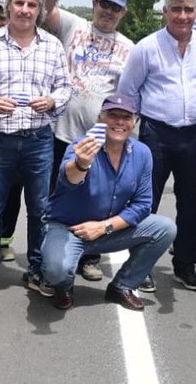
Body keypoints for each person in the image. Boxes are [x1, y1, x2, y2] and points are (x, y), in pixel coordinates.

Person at [117, 0, 196, 292]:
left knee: (190, 203)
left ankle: (185, 265)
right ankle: (141, 265)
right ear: (165, 12)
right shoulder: (146, 47)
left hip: (193, 134)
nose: (182, 16)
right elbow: (127, 93)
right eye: (176, 9)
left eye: (188, 10)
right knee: (145, 202)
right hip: (155, 133)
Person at [0, 0, 71, 300]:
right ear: (9, 6)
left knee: (40, 209)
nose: (25, 10)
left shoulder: (52, 45)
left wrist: (53, 100)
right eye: (19, 3)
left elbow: (65, 87)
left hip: (38, 140)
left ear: (39, 9)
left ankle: (37, 269)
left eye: (31, 4)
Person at [41, 93, 176, 312]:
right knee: (57, 269)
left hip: (108, 229)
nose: (120, 122)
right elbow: (69, 180)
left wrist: (104, 227)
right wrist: (82, 164)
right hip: (69, 228)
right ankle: (62, 286)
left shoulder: (142, 153)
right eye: (113, 115)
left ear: (133, 123)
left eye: (126, 117)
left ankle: (122, 286)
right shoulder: (81, 146)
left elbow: (143, 205)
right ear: (100, 118)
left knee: (165, 229)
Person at [43, 0, 134, 282]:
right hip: (60, 131)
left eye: (115, 7)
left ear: (124, 12)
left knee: (96, 198)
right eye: (104, 4)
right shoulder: (74, 25)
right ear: (94, 4)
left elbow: (126, 96)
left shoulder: (128, 48)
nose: (108, 12)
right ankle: (54, 250)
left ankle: (90, 256)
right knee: (58, 195)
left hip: (99, 138)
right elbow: (44, 7)